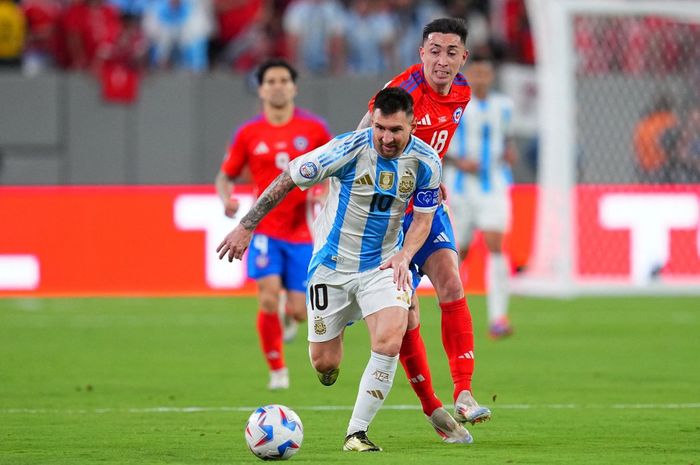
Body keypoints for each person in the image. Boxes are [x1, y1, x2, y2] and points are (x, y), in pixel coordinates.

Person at [218, 87, 467, 451]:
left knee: (390, 337)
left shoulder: (426, 161)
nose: (386, 137)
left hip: (382, 265)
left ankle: (357, 433)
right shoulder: (347, 148)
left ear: (412, 126)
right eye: (380, 128)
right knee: (325, 363)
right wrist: (247, 225)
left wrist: (405, 254)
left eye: (396, 130)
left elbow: (424, 221)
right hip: (332, 269)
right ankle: (348, 320)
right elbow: (289, 178)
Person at [357, 17, 491, 439]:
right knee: (407, 315)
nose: (442, 60)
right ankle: (432, 407)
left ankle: (465, 392)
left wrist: (431, 173)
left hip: (427, 206)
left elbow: (433, 145)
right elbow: (362, 137)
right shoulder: (402, 92)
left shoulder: (463, 93)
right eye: (434, 50)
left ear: (462, 58)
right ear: (421, 53)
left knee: (452, 279)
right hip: (386, 214)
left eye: (452, 52)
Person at [215, 58, 332, 390]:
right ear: (262, 89)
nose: (278, 86)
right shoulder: (249, 133)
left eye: (284, 80)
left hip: (303, 231)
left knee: (298, 311)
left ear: (294, 87)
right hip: (264, 228)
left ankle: (288, 311)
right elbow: (225, 175)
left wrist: (324, 192)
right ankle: (277, 370)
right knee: (266, 297)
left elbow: (337, 164)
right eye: (271, 81)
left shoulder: (314, 129)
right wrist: (227, 199)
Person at [443, 53, 517, 339]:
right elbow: (440, 145)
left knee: (495, 244)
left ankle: (498, 317)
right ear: (466, 75)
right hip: (460, 187)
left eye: (486, 73)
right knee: (457, 252)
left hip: (493, 185)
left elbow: (507, 139)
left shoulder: (504, 106)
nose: (481, 78)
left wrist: (509, 152)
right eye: (476, 73)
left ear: (492, 76)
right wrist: (458, 162)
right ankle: (453, 312)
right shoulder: (455, 104)